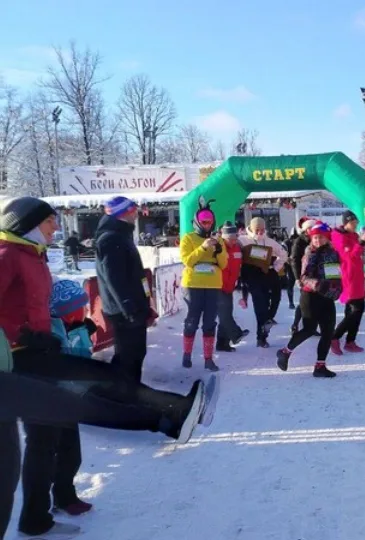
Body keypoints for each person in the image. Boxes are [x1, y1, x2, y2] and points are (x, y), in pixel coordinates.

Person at [0, 197, 218, 538]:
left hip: (37, 349)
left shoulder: (31, 254)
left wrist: (46, 327)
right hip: (19, 358)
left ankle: (51, 506)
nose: (56, 227)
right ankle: (173, 414)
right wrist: (19, 335)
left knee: (59, 428)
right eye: (49, 222)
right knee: (95, 387)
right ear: (24, 223)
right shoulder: (8, 255)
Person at [46, 280, 97, 518]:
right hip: (52, 401)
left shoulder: (75, 327)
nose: (86, 311)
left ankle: (65, 496)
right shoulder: (53, 333)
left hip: (69, 399)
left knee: (71, 453)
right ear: (68, 310)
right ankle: (54, 499)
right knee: (57, 453)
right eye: (82, 307)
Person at [95, 196, 155, 381]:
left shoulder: (121, 235)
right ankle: (124, 393)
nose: (137, 215)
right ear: (124, 213)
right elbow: (115, 278)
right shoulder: (111, 238)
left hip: (132, 306)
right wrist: (129, 307)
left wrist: (146, 298)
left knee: (134, 353)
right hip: (125, 310)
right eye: (134, 211)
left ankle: (124, 390)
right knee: (129, 356)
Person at [276, 222, 340, 378]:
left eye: (321, 237)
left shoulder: (333, 253)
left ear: (327, 238)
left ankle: (320, 366)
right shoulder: (310, 254)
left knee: (328, 331)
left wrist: (338, 287)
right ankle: (285, 352)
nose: (318, 240)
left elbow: (336, 273)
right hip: (310, 296)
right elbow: (304, 277)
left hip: (327, 296)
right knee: (309, 329)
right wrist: (318, 284)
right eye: (315, 237)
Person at [179, 199, 228, 370]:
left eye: (209, 222)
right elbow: (187, 260)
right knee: (192, 320)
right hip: (193, 284)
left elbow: (224, 264)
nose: (207, 225)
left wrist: (219, 252)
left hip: (213, 284)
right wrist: (203, 248)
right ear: (197, 222)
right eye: (203, 222)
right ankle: (187, 354)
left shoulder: (218, 240)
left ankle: (208, 359)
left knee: (209, 323)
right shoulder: (188, 238)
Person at [238, 217, 288, 348]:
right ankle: (261, 337)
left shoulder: (270, 241)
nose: (260, 232)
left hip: (269, 274)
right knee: (260, 306)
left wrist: (275, 268)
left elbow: (283, 254)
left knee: (275, 300)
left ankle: (268, 320)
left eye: (262, 229)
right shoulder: (243, 240)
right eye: (257, 230)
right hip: (253, 276)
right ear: (251, 228)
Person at [330, 211, 365, 355]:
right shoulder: (339, 237)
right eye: (352, 223)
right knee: (356, 309)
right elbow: (350, 256)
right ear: (346, 223)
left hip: (357, 275)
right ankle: (335, 336)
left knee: (354, 309)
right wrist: (361, 242)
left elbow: (358, 253)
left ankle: (350, 341)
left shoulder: (353, 235)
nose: (355, 226)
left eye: (356, 223)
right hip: (349, 276)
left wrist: (361, 242)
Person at [216, 222, 247, 352]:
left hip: (229, 286)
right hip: (217, 286)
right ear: (224, 237)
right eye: (230, 239)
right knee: (224, 315)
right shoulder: (218, 247)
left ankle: (222, 344)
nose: (233, 241)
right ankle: (236, 334)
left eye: (235, 238)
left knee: (226, 314)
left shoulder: (237, 247)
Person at [288, 218, 315, 334]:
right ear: (305, 230)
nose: (312, 230)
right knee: (305, 303)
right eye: (310, 228)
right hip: (304, 277)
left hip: (316, 276)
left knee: (314, 302)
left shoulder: (315, 239)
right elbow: (294, 260)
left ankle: (311, 327)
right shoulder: (299, 241)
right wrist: (297, 278)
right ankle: (295, 324)